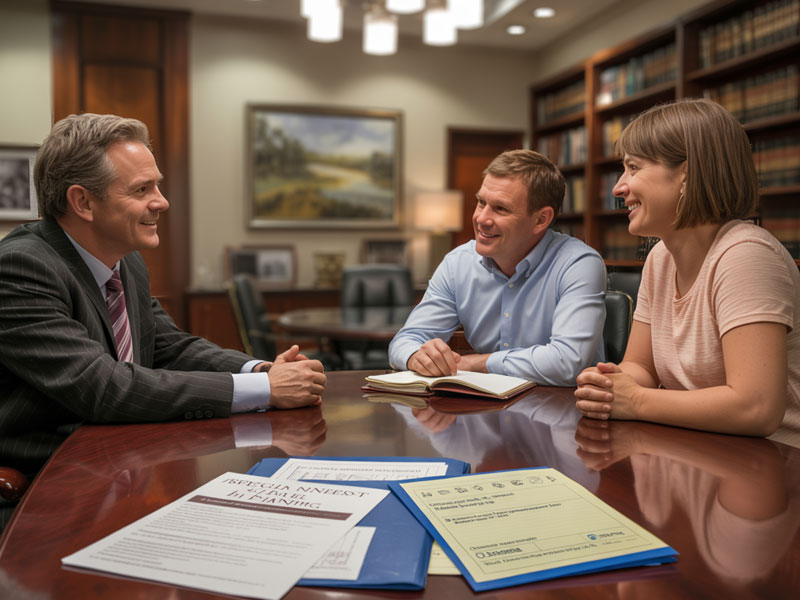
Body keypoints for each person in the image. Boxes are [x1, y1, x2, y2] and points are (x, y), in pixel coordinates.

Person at [0, 113, 327, 488]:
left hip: (122, 464)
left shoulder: (127, 262)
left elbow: (171, 348)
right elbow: (103, 387)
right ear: (83, 202)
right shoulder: (21, 267)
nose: (163, 202)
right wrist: (267, 391)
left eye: (157, 186)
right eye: (142, 190)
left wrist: (260, 371)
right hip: (47, 486)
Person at [574, 98, 800, 442]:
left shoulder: (746, 256)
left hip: (774, 466)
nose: (619, 188)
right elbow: (643, 368)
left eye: (634, 168)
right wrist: (608, 383)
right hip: (700, 447)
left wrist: (634, 400)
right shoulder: (661, 257)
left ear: (686, 173)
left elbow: (756, 408)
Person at [388, 149, 606, 385]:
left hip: (564, 410)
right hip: (487, 407)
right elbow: (405, 341)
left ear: (541, 219)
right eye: (481, 202)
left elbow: (567, 362)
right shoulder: (457, 263)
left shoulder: (578, 264)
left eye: (500, 208)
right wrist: (417, 357)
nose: (481, 218)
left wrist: (477, 363)